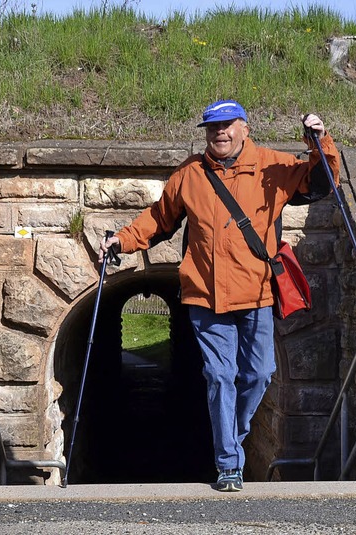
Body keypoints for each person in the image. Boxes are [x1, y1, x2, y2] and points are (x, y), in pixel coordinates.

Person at [99, 99, 340, 492]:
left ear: (245, 128)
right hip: (205, 296)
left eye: (227, 126)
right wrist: (122, 240)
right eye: (212, 128)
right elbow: (160, 219)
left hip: (257, 292)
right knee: (218, 375)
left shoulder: (272, 166)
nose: (220, 134)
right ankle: (229, 461)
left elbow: (321, 182)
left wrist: (320, 141)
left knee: (260, 374)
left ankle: (233, 435)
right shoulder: (190, 174)